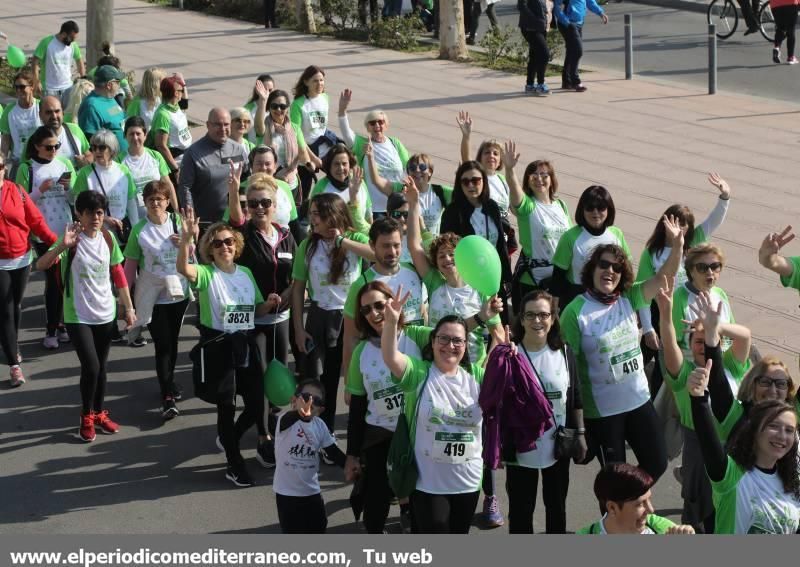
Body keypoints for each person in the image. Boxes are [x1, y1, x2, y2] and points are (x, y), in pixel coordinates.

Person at [559, 218, 684, 481]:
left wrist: (677, 245)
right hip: (604, 412)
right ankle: (618, 514)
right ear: (592, 269)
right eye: (603, 264)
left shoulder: (630, 297)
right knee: (615, 477)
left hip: (638, 400)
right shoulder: (575, 311)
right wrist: (578, 422)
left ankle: (631, 503)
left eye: (617, 268)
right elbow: (567, 369)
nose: (610, 271)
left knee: (657, 463)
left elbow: (666, 277)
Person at [177, 210, 279, 487]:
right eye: (218, 243)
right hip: (219, 345)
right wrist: (187, 239)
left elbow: (255, 308)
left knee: (258, 401)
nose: (224, 247)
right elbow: (184, 270)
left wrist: (267, 304)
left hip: (245, 342)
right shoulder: (206, 274)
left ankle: (230, 437)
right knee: (227, 405)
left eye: (229, 242)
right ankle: (234, 463)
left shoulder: (245, 273)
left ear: (237, 245)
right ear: (210, 249)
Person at [381, 292, 487, 533]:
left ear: (465, 345)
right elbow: (390, 357)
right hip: (428, 484)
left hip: (468, 482)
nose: (450, 345)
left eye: (457, 341)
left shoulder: (478, 377)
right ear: (432, 341)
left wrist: (506, 352)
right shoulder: (418, 373)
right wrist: (390, 323)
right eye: (443, 338)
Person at [36, 191, 135, 441]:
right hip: (77, 314)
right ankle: (86, 415)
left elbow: (118, 274)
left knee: (101, 368)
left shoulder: (108, 238)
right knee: (90, 367)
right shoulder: (72, 240)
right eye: (90, 212)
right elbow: (41, 265)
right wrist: (62, 246)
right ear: (79, 214)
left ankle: (100, 413)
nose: (95, 217)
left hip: (105, 313)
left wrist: (129, 308)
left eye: (99, 212)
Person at [657, 283, 751, 533]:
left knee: (731, 502)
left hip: (733, 442)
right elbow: (669, 344)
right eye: (696, 341)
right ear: (689, 346)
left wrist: (715, 327)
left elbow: (745, 336)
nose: (702, 346)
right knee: (698, 506)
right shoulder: (684, 372)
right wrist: (665, 315)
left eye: (706, 341)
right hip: (698, 445)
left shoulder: (731, 364)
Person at [345, 281, 430, 534]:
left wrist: (483, 318)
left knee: (419, 503)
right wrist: (351, 454)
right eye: (366, 310)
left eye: (379, 305)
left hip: (417, 435)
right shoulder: (360, 352)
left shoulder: (416, 336)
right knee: (376, 504)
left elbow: (452, 334)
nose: (373, 314)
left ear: (392, 303)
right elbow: (358, 408)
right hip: (379, 436)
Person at [226, 168, 297, 467]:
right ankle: (263, 438)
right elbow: (233, 221)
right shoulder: (242, 237)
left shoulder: (287, 236)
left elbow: (297, 276)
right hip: (251, 320)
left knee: (276, 381)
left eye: (264, 203)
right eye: (252, 203)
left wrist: (289, 297)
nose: (258, 209)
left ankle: (234, 432)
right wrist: (233, 190)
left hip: (281, 320)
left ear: (275, 204)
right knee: (257, 382)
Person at [637, 174, 731, 396]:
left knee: (681, 360)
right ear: (665, 223)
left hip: (689, 309)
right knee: (649, 358)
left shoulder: (694, 242)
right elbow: (642, 292)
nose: (680, 227)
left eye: (684, 223)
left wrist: (725, 196)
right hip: (660, 309)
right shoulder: (653, 253)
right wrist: (648, 328)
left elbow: (713, 220)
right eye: (675, 221)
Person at [292, 193, 374, 442]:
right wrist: (298, 328)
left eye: (318, 214)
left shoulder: (354, 239)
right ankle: (313, 432)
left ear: (333, 216)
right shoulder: (308, 245)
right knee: (315, 380)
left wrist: (343, 242)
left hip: (350, 319)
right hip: (318, 316)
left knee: (347, 378)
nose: (312, 219)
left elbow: (375, 254)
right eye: (312, 214)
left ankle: (342, 434)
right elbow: (297, 287)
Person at [506, 289, 586, 534]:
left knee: (556, 507)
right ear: (521, 319)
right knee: (521, 510)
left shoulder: (564, 351)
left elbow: (575, 397)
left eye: (543, 314)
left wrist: (580, 434)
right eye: (530, 315)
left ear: (553, 318)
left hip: (557, 443)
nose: (537, 321)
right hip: (521, 445)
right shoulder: (511, 354)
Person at [689, 369, 800, 533]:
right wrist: (698, 398)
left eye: (789, 430)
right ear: (755, 430)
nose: (782, 436)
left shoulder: (792, 485)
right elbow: (707, 438)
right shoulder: (730, 476)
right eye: (774, 426)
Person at [407, 187, 503, 365]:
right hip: (436, 365)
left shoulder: (480, 288)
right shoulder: (434, 282)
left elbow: (499, 334)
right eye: (441, 256)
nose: (447, 259)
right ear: (435, 263)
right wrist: (413, 204)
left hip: (472, 368)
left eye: (452, 254)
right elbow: (414, 245)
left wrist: (485, 366)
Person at [123, 180, 190, 420]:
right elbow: (130, 264)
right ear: (145, 203)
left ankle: (169, 383)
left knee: (173, 344)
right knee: (162, 346)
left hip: (178, 293)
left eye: (159, 199)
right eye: (151, 199)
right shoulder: (139, 230)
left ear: (168, 202)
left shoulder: (177, 223)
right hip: (154, 297)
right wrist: (125, 299)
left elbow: (192, 253)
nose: (155, 203)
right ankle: (167, 397)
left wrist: (184, 243)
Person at [341, 217, 425, 396]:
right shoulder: (361, 285)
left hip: (418, 364)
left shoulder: (413, 271)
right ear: (372, 246)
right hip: (383, 373)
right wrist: (350, 384)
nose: (392, 252)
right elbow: (351, 338)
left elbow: (423, 312)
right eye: (385, 246)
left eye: (396, 245)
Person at [16, 126, 76, 350]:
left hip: (66, 231)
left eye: (57, 146)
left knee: (65, 281)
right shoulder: (27, 168)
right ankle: (51, 329)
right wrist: (39, 190)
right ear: (36, 147)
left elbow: (74, 197)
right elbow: (20, 203)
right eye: (49, 147)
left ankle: (61, 324)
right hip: (42, 235)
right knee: (53, 281)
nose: (54, 151)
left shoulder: (64, 164)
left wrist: (69, 188)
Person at [0, 153, 57, 386]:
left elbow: (37, 222)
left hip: (22, 258)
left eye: (0, 165)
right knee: (5, 308)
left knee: (16, 306)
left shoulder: (17, 192)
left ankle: (11, 343)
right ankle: (14, 364)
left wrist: (58, 246)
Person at [440, 160, 511, 321]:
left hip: (493, 275)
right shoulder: (453, 212)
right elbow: (447, 248)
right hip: (469, 279)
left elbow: (500, 244)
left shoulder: (491, 206)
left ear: (484, 182)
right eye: (465, 181)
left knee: (500, 324)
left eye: (476, 180)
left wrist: (507, 277)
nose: (471, 185)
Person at [273, 380, 347, 533]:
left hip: (312, 491)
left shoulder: (320, 426)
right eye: (306, 397)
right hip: (287, 494)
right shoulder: (285, 420)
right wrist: (299, 414)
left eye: (316, 400)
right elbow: (290, 419)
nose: (310, 402)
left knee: (319, 527)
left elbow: (333, 452)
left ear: (320, 409)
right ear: (294, 400)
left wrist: (352, 466)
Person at [503, 142, 571, 308]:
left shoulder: (560, 205)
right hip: (533, 282)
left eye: (544, 175)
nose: (539, 179)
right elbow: (515, 191)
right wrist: (510, 170)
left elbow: (572, 239)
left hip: (561, 279)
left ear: (551, 179)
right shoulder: (528, 206)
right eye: (533, 176)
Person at [551, 185, 630, 310]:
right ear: (582, 209)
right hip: (578, 299)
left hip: (610, 300)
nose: (595, 212)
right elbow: (558, 277)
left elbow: (626, 272)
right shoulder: (570, 237)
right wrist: (554, 309)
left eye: (601, 207)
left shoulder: (617, 234)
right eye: (590, 207)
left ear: (609, 209)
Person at [338, 89, 409, 217]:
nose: (377, 125)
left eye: (380, 122)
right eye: (372, 123)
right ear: (367, 127)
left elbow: (409, 168)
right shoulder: (362, 144)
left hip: (398, 206)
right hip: (376, 209)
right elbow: (346, 133)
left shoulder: (395, 143)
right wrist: (342, 111)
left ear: (386, 125)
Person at [178, 107, 249, 227]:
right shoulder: (193, 153)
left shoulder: (238, 149)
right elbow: (185, 188)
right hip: (205, 223)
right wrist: (191, 217)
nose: (223, 129)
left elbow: (247, 179)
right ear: (208, 125)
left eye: (226, 124)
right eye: (217, 125)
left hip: (234, 220)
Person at [577, 463, 695, 534]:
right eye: (640, 504)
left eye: (649, 500)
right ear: (612, 507)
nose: (651, 510)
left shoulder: (663, 529)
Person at [72, 129, 140, 244]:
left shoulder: (124, 171)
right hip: (95, 234)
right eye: (93, 147)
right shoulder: (85, 173)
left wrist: (136, 234)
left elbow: (131, 203)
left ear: (112, 149)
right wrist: (104, 219)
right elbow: (77, 207)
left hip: (122, 233)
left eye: (102, 147)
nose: (97, 151)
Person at [671, 242, 735, 361]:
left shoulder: (720, 294)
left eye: (715, 266)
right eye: (702, 267)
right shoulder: (679, 298)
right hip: (693, 368)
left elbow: (732, 335)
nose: (710, 272)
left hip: (722, 366)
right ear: (691, 270)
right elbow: (673, 344)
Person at [253, 87, 313, 205]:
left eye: (282, 106)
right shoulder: (265, 126)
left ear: (288, 107)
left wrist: (308, 163)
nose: (278, 109)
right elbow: (259, 127)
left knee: (292, 217)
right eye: (274, 106)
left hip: (291, 180)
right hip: (269, 182)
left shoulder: (294, 128)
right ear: (269, 108)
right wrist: (263, 101)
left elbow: (302, 151)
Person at [291, 66, 336, 200]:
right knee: (304, 191)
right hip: (305, 152)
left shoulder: (325, 98)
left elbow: (321, 128)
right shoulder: (298, 105)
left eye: (322, 80)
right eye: (315, 81)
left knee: (337, 177)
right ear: (306, 82)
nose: (319, 84)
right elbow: (297, 136)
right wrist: (313, 159)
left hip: (324, 148)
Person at [119, 116, 177, 220]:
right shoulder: (119, 160)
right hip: (132, 219)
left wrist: (176, 211)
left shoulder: (156, 156)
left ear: (145, 135)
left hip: (157, 216)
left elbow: (168, 185)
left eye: (138, 133)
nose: (135, 137)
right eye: (131, 134)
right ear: (125, 136)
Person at [308, 144, 372, 229]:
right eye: (336, 164)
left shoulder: (359, 182)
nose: (341, 168)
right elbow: (312, 219)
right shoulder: (320, 187)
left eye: (344, 164)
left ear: (350, 165)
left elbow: (368, 215)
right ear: (329, 166)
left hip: (360, 237)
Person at [553, 0, 608, 91]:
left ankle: (567, 82)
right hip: (568, 24)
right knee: (578, 51)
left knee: (572, 51)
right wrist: (567, 22)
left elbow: (590, 2)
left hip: (579, 23)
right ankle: (576, 82)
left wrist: (600, 13)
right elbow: (556, 7)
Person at [32, 20, 86, 105]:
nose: (73, 41)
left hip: (68, 87)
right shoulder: (47, 42)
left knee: (68, 116)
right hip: (49, 89)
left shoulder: (73, 45)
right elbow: (35, 61)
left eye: (74, 39)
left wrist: (83, 79)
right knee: (52, 116)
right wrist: (36, 81)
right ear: (64, 34)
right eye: (71, 38)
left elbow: (79, 61)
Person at [148, 75, 191, 181]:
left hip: (185, 158)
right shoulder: (163, 114)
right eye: (181, 90)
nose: (183, 92)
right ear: (176, 93)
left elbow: (185, 103)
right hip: (174, 164)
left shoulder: (175, 107)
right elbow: (161, 145)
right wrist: (175, 170)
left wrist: (183, 83)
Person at [0, 70, 42, 178]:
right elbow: (5, 140)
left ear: (32, 86)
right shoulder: (9, 111)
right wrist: (2, 164)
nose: (19, 90)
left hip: (40, 163)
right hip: (18, 163)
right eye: (16, 87)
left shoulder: (41, 107)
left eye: (22, 87)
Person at [78, 65, 127, 153]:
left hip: (125, 158)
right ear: (109, 85)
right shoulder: (91, 107)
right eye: (117, 82)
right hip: (110, 162)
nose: (119, 85)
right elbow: (90, 142)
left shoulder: (110, 98)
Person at [39, 95, 91, 169]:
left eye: (57, 111)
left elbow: (89, 155)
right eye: (48, 112)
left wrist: (85, 161)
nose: (54, 116)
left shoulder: (74, 129)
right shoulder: (34, 139)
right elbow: (26, 169)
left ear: (63, 113)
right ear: (40, 115)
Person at [518, 0, 551, 95]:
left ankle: (529, 85)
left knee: (535, 55)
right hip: (530, 27)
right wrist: (535, 20)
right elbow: (521, 6)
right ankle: (541, 84)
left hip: (542, 26)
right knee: (544, 54)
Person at [245, 74, 276, 144]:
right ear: (257, 90)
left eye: (270, 90)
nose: (267, 93)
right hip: (254, 149)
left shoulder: (278, 107)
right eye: (264, 89)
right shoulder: (247, 109)